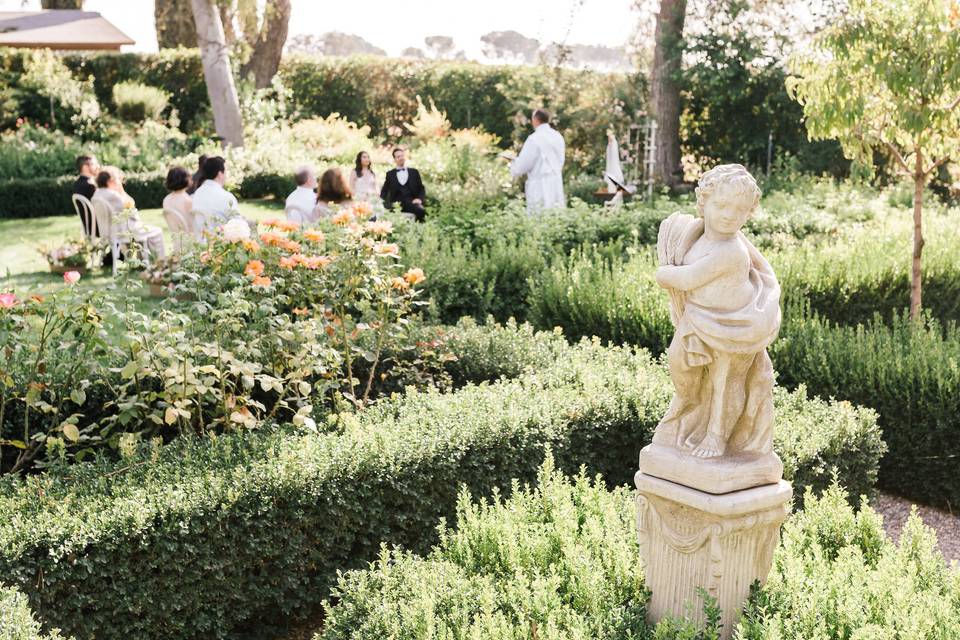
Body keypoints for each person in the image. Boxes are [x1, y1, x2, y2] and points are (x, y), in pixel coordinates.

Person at [652, 164, 780, 459]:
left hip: (735, 325)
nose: (729, 215)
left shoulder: (731, 251)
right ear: (703, 202)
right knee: (678, 361)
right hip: (699, 318)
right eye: (721, 205)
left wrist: (663, 273)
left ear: (749, 213)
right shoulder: (697, 236)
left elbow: (686, 278)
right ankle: (689, 403)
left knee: (726, 381)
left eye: (740, 210)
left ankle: (717, 436)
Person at [92, 166, 165, 261]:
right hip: (123, 232)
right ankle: (160, 261)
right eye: (117, 179)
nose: (119, 181)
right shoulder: (113, 195)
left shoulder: (96, 195)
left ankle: (143, 260)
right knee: (157, 231)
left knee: (146, 233)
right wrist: (121, 189)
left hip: (107, 232)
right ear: (110, 181)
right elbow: (131, 207)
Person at [508, 108, 566, 213]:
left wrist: (513, 162)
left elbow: (523, 165)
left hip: (540, 186)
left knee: (539, 215)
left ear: (535, 120)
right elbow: (561, 160)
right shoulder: (558, 137)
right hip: (556, 181)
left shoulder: (534, 139)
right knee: (556, 214)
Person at [190, 156, 239, 231]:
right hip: (221, 241)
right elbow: (238, 226)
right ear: (220, 174)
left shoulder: (196, 195)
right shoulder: (227, 197)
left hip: (200, 240)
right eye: (226, 171)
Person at [380, 147, 426, 222]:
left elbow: (421, 188)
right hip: (396, 204)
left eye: (402, 156)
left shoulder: (414, 172)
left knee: (421, 212)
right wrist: (382, 203)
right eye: (398, 157)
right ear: (394, 159)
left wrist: (420, 199)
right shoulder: (390, 174)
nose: (401, 158)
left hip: (411, 202)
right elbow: (384, 190)